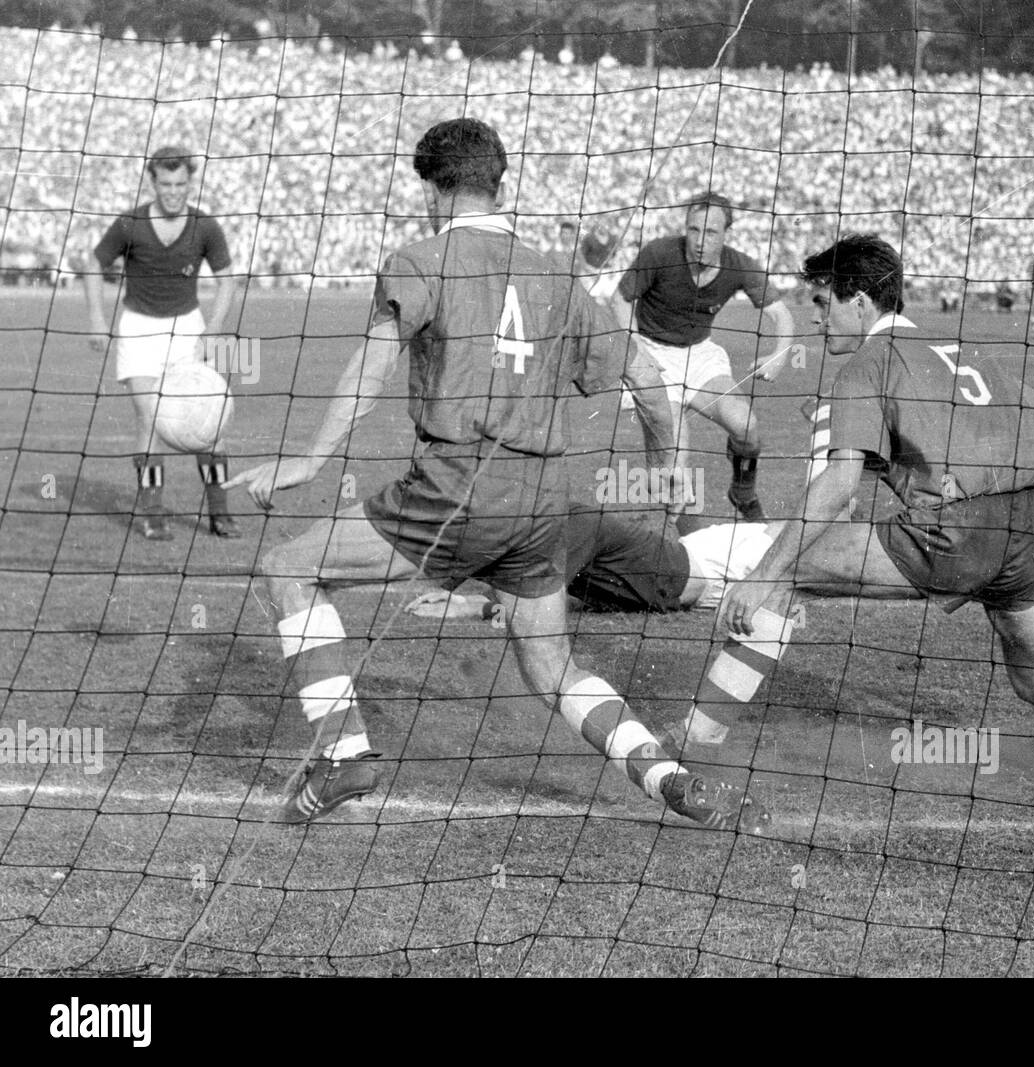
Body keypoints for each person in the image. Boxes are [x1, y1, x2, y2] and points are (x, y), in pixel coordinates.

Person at [225, 118, 765, 833]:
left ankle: (342, 751)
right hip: (543, 509)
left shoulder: (422, 259)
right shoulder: (559, 277)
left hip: (454, 493)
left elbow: (373, 364)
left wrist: (310, 459)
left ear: (436, 188)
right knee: (551, 670)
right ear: (499, 182)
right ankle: (665, 774)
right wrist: (665, 468)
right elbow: (644, 377)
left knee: (291, 567)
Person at [671, 232, 1034, 781]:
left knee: (785, 567)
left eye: (824, 302)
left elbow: (838, 488)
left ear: (862, 301)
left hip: (956, 536)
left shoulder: (867, 364)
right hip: (1026, 538)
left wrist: (763, 576)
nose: (818, 319)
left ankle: (694, 742)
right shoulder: (972, 352)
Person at [83, 146, 240, 540]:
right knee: (150, 421)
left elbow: (228, 280)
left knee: (210, 424)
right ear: (153, 181)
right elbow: (92, 266)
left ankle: (219, 511)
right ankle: (153, 513)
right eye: (166, 184)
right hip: (138, 332)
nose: (173, 192)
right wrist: (97, 321)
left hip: (189, 329)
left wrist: (215, 327)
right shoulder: (129, 224)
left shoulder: (204, 226)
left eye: (181, 184)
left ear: (190, 182)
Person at [610, 192, 796, 521]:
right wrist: (635, 349)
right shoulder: (659, 253)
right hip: (652, 352)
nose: (699, 241)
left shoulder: (738, 265)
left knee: (747, 427)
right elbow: (620, 300)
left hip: (700, 354)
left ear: (726, 234)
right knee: (673, 467)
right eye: (694, 230)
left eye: (710, 233)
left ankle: (742, 491)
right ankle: (684, 551)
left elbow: (781, 315)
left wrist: (780, 355)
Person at [406, 507, 776, 622]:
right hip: (702, 568)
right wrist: (464, 604)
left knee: (814, 553)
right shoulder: (555, 539)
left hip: (719, 561)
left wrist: (453, 591)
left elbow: (534, 609)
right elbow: (548, 601)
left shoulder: (577, 527)